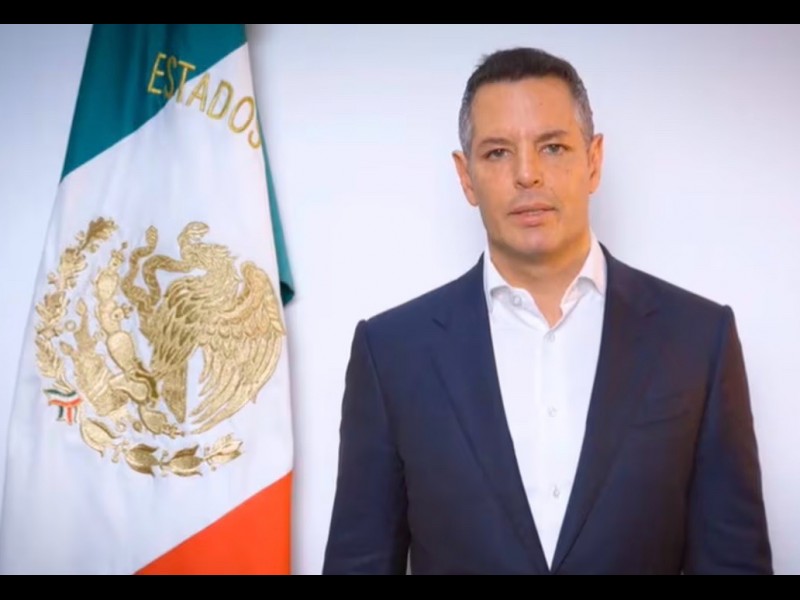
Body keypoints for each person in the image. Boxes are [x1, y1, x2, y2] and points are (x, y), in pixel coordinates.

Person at [322, 47, 772, 575]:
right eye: (497, 153)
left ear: (594, 160)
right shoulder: (391, 353)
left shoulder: (698, 340)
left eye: (553, 147)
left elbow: (734, 562)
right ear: (465, 176)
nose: (527, 174)